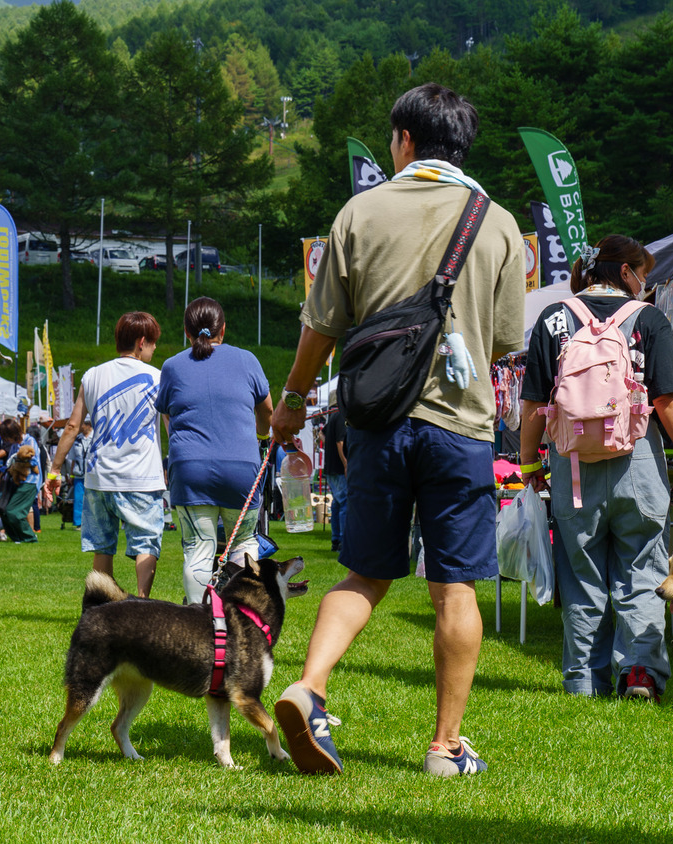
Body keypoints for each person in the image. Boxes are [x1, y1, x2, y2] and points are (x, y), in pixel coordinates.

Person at [269, 83, 525, 777]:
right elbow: (504, 340)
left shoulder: (359, 212)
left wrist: (292, 399)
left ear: (405, 141)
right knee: (456, 587)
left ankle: (309, 687)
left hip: (377, 423)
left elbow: (321, 325)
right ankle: (445, 747)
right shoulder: (497, 223)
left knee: (365, 573)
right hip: (460, 426)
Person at [519, 234, 673, 702]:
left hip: (572, 466)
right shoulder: (648, 319)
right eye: (642, 272)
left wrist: (528, 462)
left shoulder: (553, 318)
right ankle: (641, 673)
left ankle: (584, 680)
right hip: (637, 460)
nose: (646, 281)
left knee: (581, 573)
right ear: (625, 273)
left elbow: (534, 404)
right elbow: (667, 399)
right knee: (643, 568)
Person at [153, 297, 272, 604]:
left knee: (198, 548)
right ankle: (243, 617)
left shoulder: (172, 366)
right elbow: (267, 413)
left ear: (185, 331)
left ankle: (199, 621)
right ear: (224, 329)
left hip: (191, 468)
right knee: (244, 544)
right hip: (242, 468)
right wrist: (260, 436)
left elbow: (167, 412)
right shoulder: (248, 360)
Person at [45, 313, 164, 598]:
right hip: (141, 477)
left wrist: (54, 470)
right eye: (153, 343)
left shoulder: (93, 374)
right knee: (146, 544)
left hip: (99, 477)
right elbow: (173, 427)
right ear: (142, 342)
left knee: (102, 545)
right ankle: (141, 603)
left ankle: (104, 608)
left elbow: (73, 426)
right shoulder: (158, 378)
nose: (155, 348)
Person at [0, 418, 42, 543]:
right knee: (4, 511)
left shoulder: (30, 441)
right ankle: (17, 537)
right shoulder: (14, 445)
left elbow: (33, 461)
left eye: (6, 437)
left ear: (13, 433)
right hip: (15, 480)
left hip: (29, 481)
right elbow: (9, 464)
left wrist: (20, 460)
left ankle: (30, 537)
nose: (6, 440)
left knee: (14, 512)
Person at [323, 392, 347, 553]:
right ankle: (345, 542)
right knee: (345, 502)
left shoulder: (331, 418)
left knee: (337, 503)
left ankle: (336, 540)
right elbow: (340, 442)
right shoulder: (340, 417)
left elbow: (321, 434)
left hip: (330, 467)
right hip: (339, 468)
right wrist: (346, 464)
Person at [65, 420, 92, 528]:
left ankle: (91, 522)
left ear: (88, 425)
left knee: (92, 500)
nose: (80, 427)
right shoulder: (77, 439)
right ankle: (78, 523)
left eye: (82, 425)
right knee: (78, 499)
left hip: (92, 474)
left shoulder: (95, 437)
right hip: (79, 473)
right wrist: (71, 475)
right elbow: (73, 459)